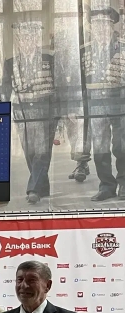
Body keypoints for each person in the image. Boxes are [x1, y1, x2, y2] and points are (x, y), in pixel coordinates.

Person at [0, 21, 56, 205]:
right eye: (23, 39)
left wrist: (61, 113)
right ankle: (43, 187)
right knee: (30, 152)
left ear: (36, 39)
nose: (26, 42)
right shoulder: (10, 63)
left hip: (44, 111)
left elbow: (58, 86)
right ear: (18, 41)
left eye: (30, 38)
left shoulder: (49, 59)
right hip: (22, 113)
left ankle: (34, 189)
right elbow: (4, 87)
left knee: (42, 152)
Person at [84, 7, 125, 201]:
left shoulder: (122, 48)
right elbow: (80, 81)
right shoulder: (84, 51)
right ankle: (106, 186)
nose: (101, 29)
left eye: (105, 24)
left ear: (112, 27)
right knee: (100, 148)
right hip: (96, 104)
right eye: (96, 25)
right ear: (91, 28)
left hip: (120, 102)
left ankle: (124, 183)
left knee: (121, 146)